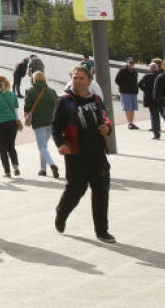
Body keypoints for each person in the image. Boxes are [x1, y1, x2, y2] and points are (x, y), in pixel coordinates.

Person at [52, 65, 115, 243]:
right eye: (75, 78)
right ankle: (62, 212)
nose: (77, 81)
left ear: (89, 80)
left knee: (101, 192)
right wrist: (61, 144)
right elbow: (55, 126)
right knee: (76, 190)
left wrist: (107, 127)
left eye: (81, 78)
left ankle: (102, 231)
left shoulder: (96, 99)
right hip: (75, 154)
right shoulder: (64, 101)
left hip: (97, 154)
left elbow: (104, 117)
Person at [23, 71, 59, 178]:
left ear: (34, 79)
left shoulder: (30, 91)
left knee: (41, 147)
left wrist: (26, 116)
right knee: (44, 146)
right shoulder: (52, 91)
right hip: (51, 121)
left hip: (39, 122)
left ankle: (52, 165)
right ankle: (43, 170)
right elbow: (57, 105)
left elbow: (27, 107)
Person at [0, 75, 21, 177]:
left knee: (2, 148)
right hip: (12, 123)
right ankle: (16, 166)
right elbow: (16, 112)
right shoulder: (13, 95)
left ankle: (7, 171)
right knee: (11, 146)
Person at [114, 58, 140, 129]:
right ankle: (130, 123)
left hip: (133, 92)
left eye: (133, 63)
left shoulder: (135, 71)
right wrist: (122, 86)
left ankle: (132, 122)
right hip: (125, 92)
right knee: (128, 108)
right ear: (127, 63)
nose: (131, 64)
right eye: (130, 62)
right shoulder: (122, 71)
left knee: (133, 108)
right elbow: (117, 80)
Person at [140, 60, 162, 140]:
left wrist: (145, 90)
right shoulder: (160, 75)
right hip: (160, 98)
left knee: (153, 115)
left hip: (150, 97)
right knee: (161, 113)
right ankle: (159, 128)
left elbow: (139, 84)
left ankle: (156, 132)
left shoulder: (147, 76)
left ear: (151, 69)